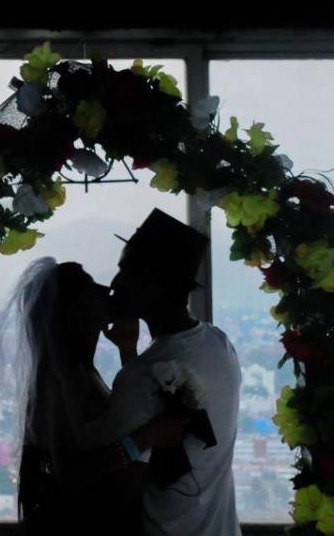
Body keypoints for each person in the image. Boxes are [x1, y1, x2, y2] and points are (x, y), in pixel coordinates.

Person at [0, 257, 188, 536]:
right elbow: (72, 472)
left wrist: (127, 350)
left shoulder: (77, 372)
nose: (105, 290)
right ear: (74, 311)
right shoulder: (63, 380)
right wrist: (147, 437)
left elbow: (120, 418)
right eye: (90, 287)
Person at [98, 208, 243, 536]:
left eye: (126, 272)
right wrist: (128, 351)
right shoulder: (221, 347)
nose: (115, 283)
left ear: (154, 284)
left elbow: (118, 492)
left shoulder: (138, 377)